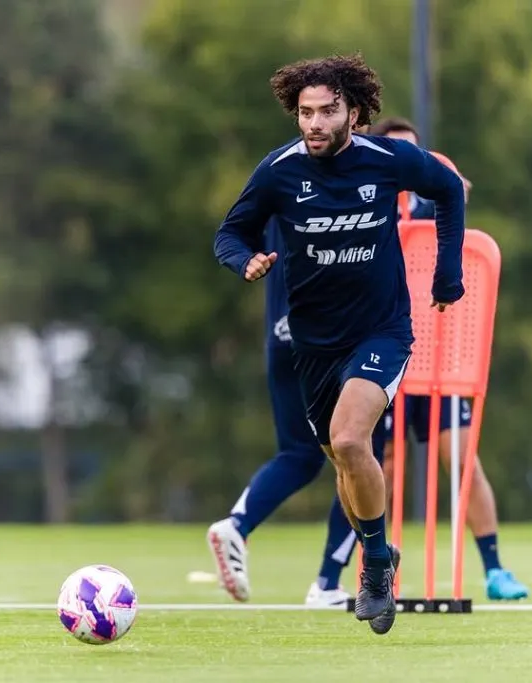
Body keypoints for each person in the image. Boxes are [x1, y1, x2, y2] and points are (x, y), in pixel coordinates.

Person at [213, 54, 466, 635]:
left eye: (328, 111)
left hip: (381, 331)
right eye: (305, 113)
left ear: (354, 111)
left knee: (352, 439)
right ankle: (379, 551)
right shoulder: (278, 171)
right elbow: (231, 231)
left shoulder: (386, 159)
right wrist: (243, 260)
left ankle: (376, 565)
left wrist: (447, 274)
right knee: (345, 466)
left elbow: (449, 188)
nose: (315, 124)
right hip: (314, 344)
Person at [367, 117, 529, 601]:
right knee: (384, 462)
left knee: (459, 457)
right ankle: (371, 566)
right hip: (384, 346)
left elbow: (457, 191)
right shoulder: (364, 195)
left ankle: (495, 568)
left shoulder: (429, 190)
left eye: (414, 151)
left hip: (439, 350)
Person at [206, 206, 387, 609]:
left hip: (282, 337)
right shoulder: (360, 176)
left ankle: (237, 525)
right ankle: (330, 580)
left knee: (301, 455)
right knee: (359, 452)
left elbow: (231, 237)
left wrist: (241, 261)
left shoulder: (280, 174)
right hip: (334, 342)